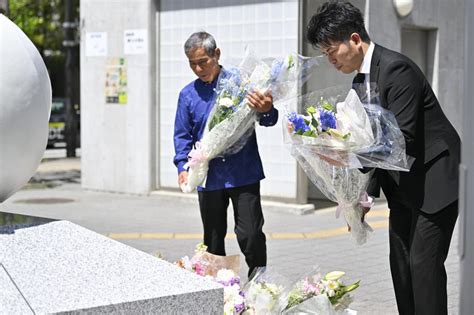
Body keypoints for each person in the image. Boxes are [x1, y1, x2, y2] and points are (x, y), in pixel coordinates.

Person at [306, 2, 461, 314]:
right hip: (403, 189)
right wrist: (360, 198)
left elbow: (402, 140)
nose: (329, 59)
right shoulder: (360, 81)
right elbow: (371, 141)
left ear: (354, 38)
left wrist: (347, 154)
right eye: (324, 53)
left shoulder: (396, 69)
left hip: (433, 184)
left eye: (331, 49)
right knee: (401, 269)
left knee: (424, 270)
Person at [173, 31, 278, 278]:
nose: (198, 69)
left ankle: (259, 284)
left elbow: (268, 119)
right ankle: (220, 291)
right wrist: (182, 167)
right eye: (192, 64)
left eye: (203, 62)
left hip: (244, 172)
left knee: (251, 234)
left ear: (216, 54)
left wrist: (267, 109)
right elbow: (182, 136)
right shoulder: (187, 95)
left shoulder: (242, 83)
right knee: (212, 238)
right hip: (209, 177)